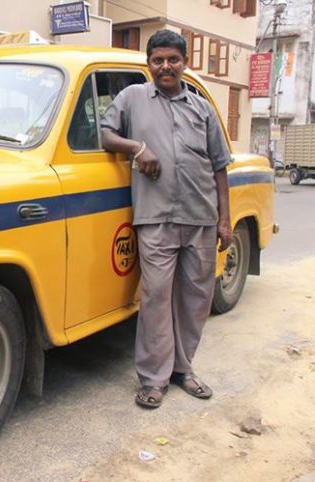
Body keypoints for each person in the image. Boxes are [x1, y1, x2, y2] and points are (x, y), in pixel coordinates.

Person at [100, 29, 232, 409]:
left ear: (184, 63)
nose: (165, 66)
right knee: (156, 298)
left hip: (201, 217)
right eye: (158, 60)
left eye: (173, 59)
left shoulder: (202, 108)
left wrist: (225, 219)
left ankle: (184, 369)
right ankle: (154, 379)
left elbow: (220, 166)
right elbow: (106, 134)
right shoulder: (133, 98)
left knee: (195, 299)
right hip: (155, 219)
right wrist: (138, 148)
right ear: (149, 64)